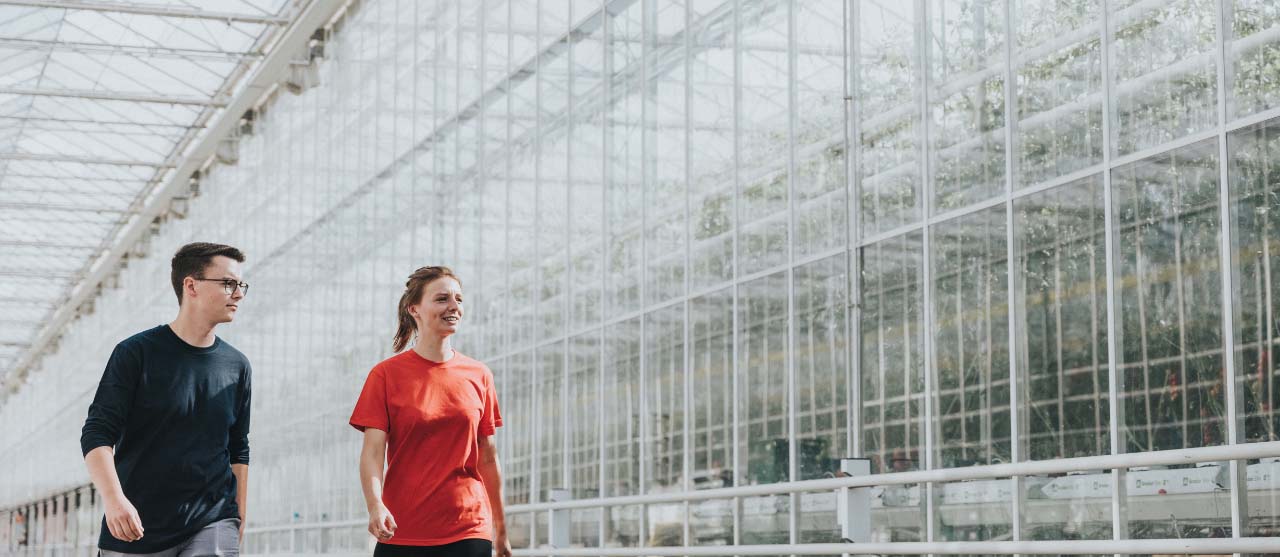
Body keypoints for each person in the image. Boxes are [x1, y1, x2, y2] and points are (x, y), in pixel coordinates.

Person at [80, 242, 253, 556]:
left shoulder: (237, 366)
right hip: (136, 524)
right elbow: (97, 434)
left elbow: (238, 446)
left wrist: (238, 512)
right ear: (191, 286)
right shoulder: (136, 354)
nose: (238, 294)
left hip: (214, 520)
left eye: (241, 285)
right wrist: (114, 500)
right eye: (228, 283)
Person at [350, 266, 511, 557]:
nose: (454, 306)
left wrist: (500, 528)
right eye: (442, 299)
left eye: (459, 299)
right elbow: (372, 453)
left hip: (469, 528)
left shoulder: (479, 375)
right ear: (414, 309)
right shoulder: (385, 376)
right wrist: (375, 506)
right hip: (401, 530)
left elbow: (488, 456)